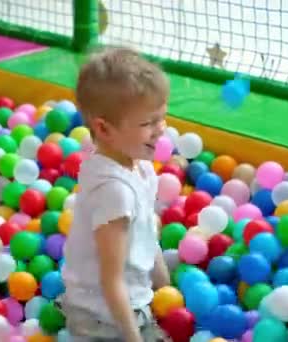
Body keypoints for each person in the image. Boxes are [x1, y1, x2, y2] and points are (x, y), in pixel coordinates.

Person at [60, 47, 171, 341]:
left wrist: (166, 291)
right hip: (101, 317)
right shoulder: (114, 192)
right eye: (148, 123)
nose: (161, 130)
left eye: (162, 118)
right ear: (104, 129)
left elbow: (147, 234)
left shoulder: (141, 169)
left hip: (130, 299)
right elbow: (112, 281)